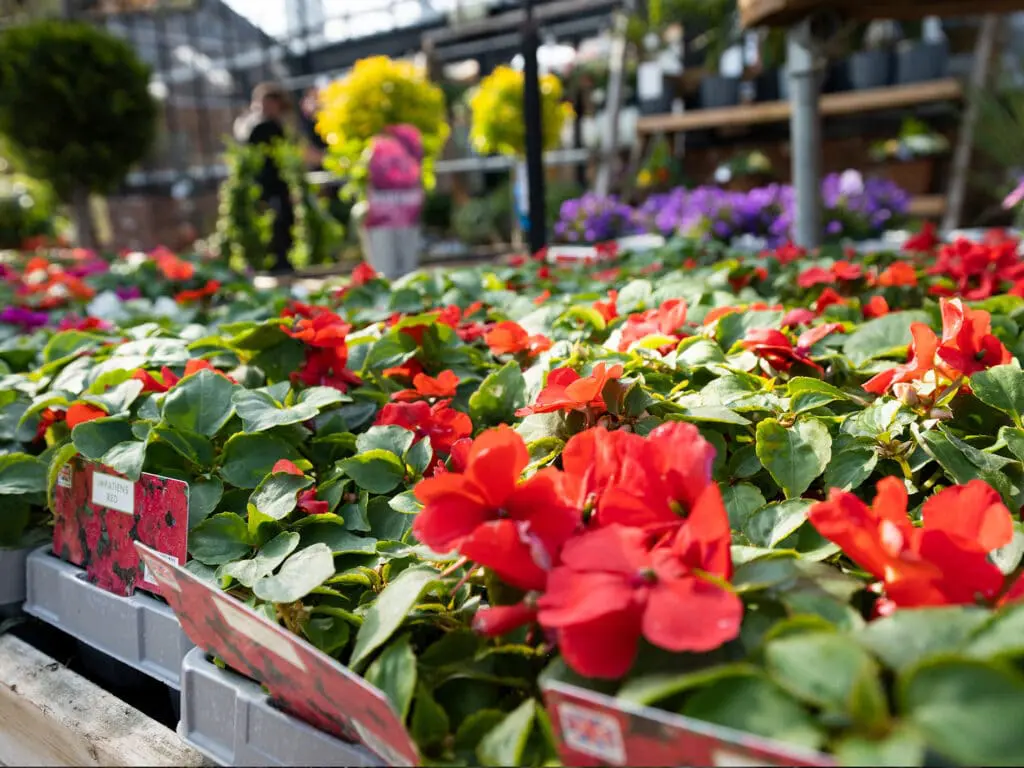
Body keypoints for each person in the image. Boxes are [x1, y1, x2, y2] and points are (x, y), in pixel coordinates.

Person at [234, 82, 295, 275]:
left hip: (274, 185)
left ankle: (280, 262)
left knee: (282, 222)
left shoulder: (269, 125)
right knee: (277, 223)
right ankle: (278, 263)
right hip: (268, 186)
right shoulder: (263, 126)